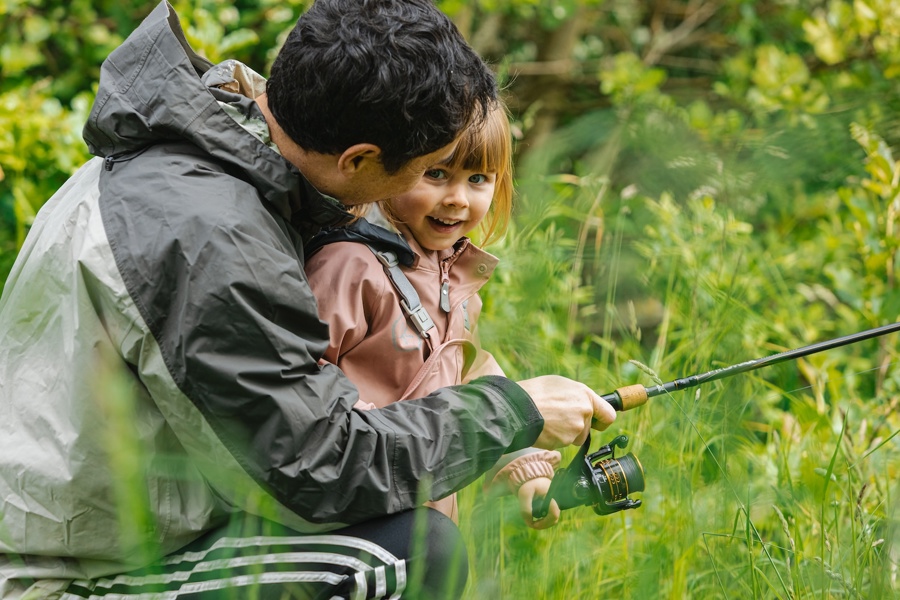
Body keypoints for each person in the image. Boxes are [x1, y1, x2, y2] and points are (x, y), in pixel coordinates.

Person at [0, 0, 616, 598]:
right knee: (408, 552)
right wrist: (509, 412)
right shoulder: (211, 235)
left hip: (147, 534)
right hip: (73, 573)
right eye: (427, 170)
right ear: (359, 159)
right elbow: (318, 469)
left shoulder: (217, 157)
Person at [305, 99, 564, 533]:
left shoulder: (453, 280)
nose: (457, 199)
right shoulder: (348, 266)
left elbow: (470, 382)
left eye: (478, 179)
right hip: (350, 518)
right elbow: (304, 384)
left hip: (419, 520)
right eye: (437, 174)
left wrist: (521, 460)